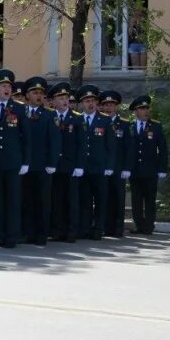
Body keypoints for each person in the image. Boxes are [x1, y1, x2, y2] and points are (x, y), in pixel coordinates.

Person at [0, 69, 31, 249]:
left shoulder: (20, 108)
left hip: (13, 162)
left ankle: (12, 236)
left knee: (13, 199)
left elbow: (27, 138)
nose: (7, 89)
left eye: (9, 86)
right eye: (3, 86)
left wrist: (26, 162)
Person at [21, 77, 60, 246]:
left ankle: (41, 234)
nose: (38, 96)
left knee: (43, 201)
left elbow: (55, 141)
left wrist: (51, 163)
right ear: (26, 95)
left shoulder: (50, 115)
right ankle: (27, 232)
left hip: (42, 165)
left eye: (40, 93)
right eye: (34, 92)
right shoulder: (20, 112)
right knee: (26, 200)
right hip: (24, 165)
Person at [74, 85, 116, 240]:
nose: (90, 104)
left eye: (92, 100)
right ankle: (85, 228)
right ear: (81, 104)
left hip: (100, 168)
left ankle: (98, 228)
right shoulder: (77, 120)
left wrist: (109, 166)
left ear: (97, 103)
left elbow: (111, 146)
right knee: (84, 200)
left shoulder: (105, 120)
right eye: (86, 101)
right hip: (83, 168)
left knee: (100, 200)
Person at [127, 95, 168, 235]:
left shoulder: (156, 126)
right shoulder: (130, 126)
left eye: (147, 108)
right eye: (142, 109)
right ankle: (139, 226)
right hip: (135, 171)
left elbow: (163, 149)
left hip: (150, 170)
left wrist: (162, 168)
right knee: (136, 200)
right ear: (135, 111)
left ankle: (149, 226)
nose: (145, 111)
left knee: (150, 199)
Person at [47, 83, 81, 243]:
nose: (64, 100)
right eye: (60, 98)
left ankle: (71, 231)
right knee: (56, 199)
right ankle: (57, 230)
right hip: (54, 165)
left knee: (71, 200)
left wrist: (79, 165)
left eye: (66, 97)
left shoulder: (77, 118)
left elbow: (82, 144)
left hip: (71, 165)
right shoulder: (49, 117)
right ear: (52, 101)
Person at [99, 90, 132, 237]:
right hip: (103, 167)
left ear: (116, 106)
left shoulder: (124, 124)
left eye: (111, 105)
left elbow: (129, 148)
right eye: (106, 105)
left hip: (118, 168)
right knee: (104, 197)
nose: (109, 108)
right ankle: (105, 226)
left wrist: (127, 168)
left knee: (118, 198)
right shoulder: (100, 122)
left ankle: (118, 227)